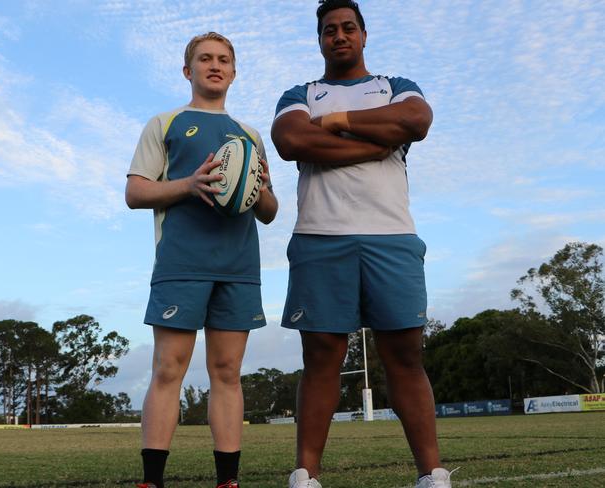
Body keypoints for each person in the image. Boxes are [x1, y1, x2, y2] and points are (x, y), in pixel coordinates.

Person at [271, 1, 453, 487]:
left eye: (348, 27)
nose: (339, 36)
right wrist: (376, 140)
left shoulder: (395, 87)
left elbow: (416, 119)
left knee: (406, 356)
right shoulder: (301, 93)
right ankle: (306, 475)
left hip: (391, 236)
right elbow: (290, 141)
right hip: (319, 237)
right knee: (321, 359)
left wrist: (334, 122)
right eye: (329, 30)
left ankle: (431, 474)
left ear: (364, 34)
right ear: (320, 39)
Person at [126, 32, 278, 488]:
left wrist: (262, 188)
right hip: (181, 263)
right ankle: (153, 480)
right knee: (168, 369)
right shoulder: (165, 122)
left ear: (233, 71)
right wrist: (189, 185)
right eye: (205, 58)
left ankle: (227, 481)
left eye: (224, 59)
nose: (215, 65)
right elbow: (136, 192)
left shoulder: (249, 136)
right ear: (187, 69)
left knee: (227, 373)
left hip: (238, 267)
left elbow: (269, 213)